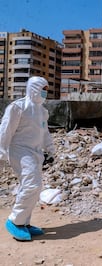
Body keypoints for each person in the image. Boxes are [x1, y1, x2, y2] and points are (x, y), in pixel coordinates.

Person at [0, 76, 55, 241]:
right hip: (20, 151)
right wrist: (1, 152)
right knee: (32, 184)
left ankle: (25, 222)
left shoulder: (41, 110)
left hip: (35, 152)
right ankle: (15, 221)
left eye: (47, 90)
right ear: (34, 88)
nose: (45, 93)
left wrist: (50, 150)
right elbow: (5, 130)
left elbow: (44, 132)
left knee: (34, 187)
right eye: (43, 89)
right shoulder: (18, 107)